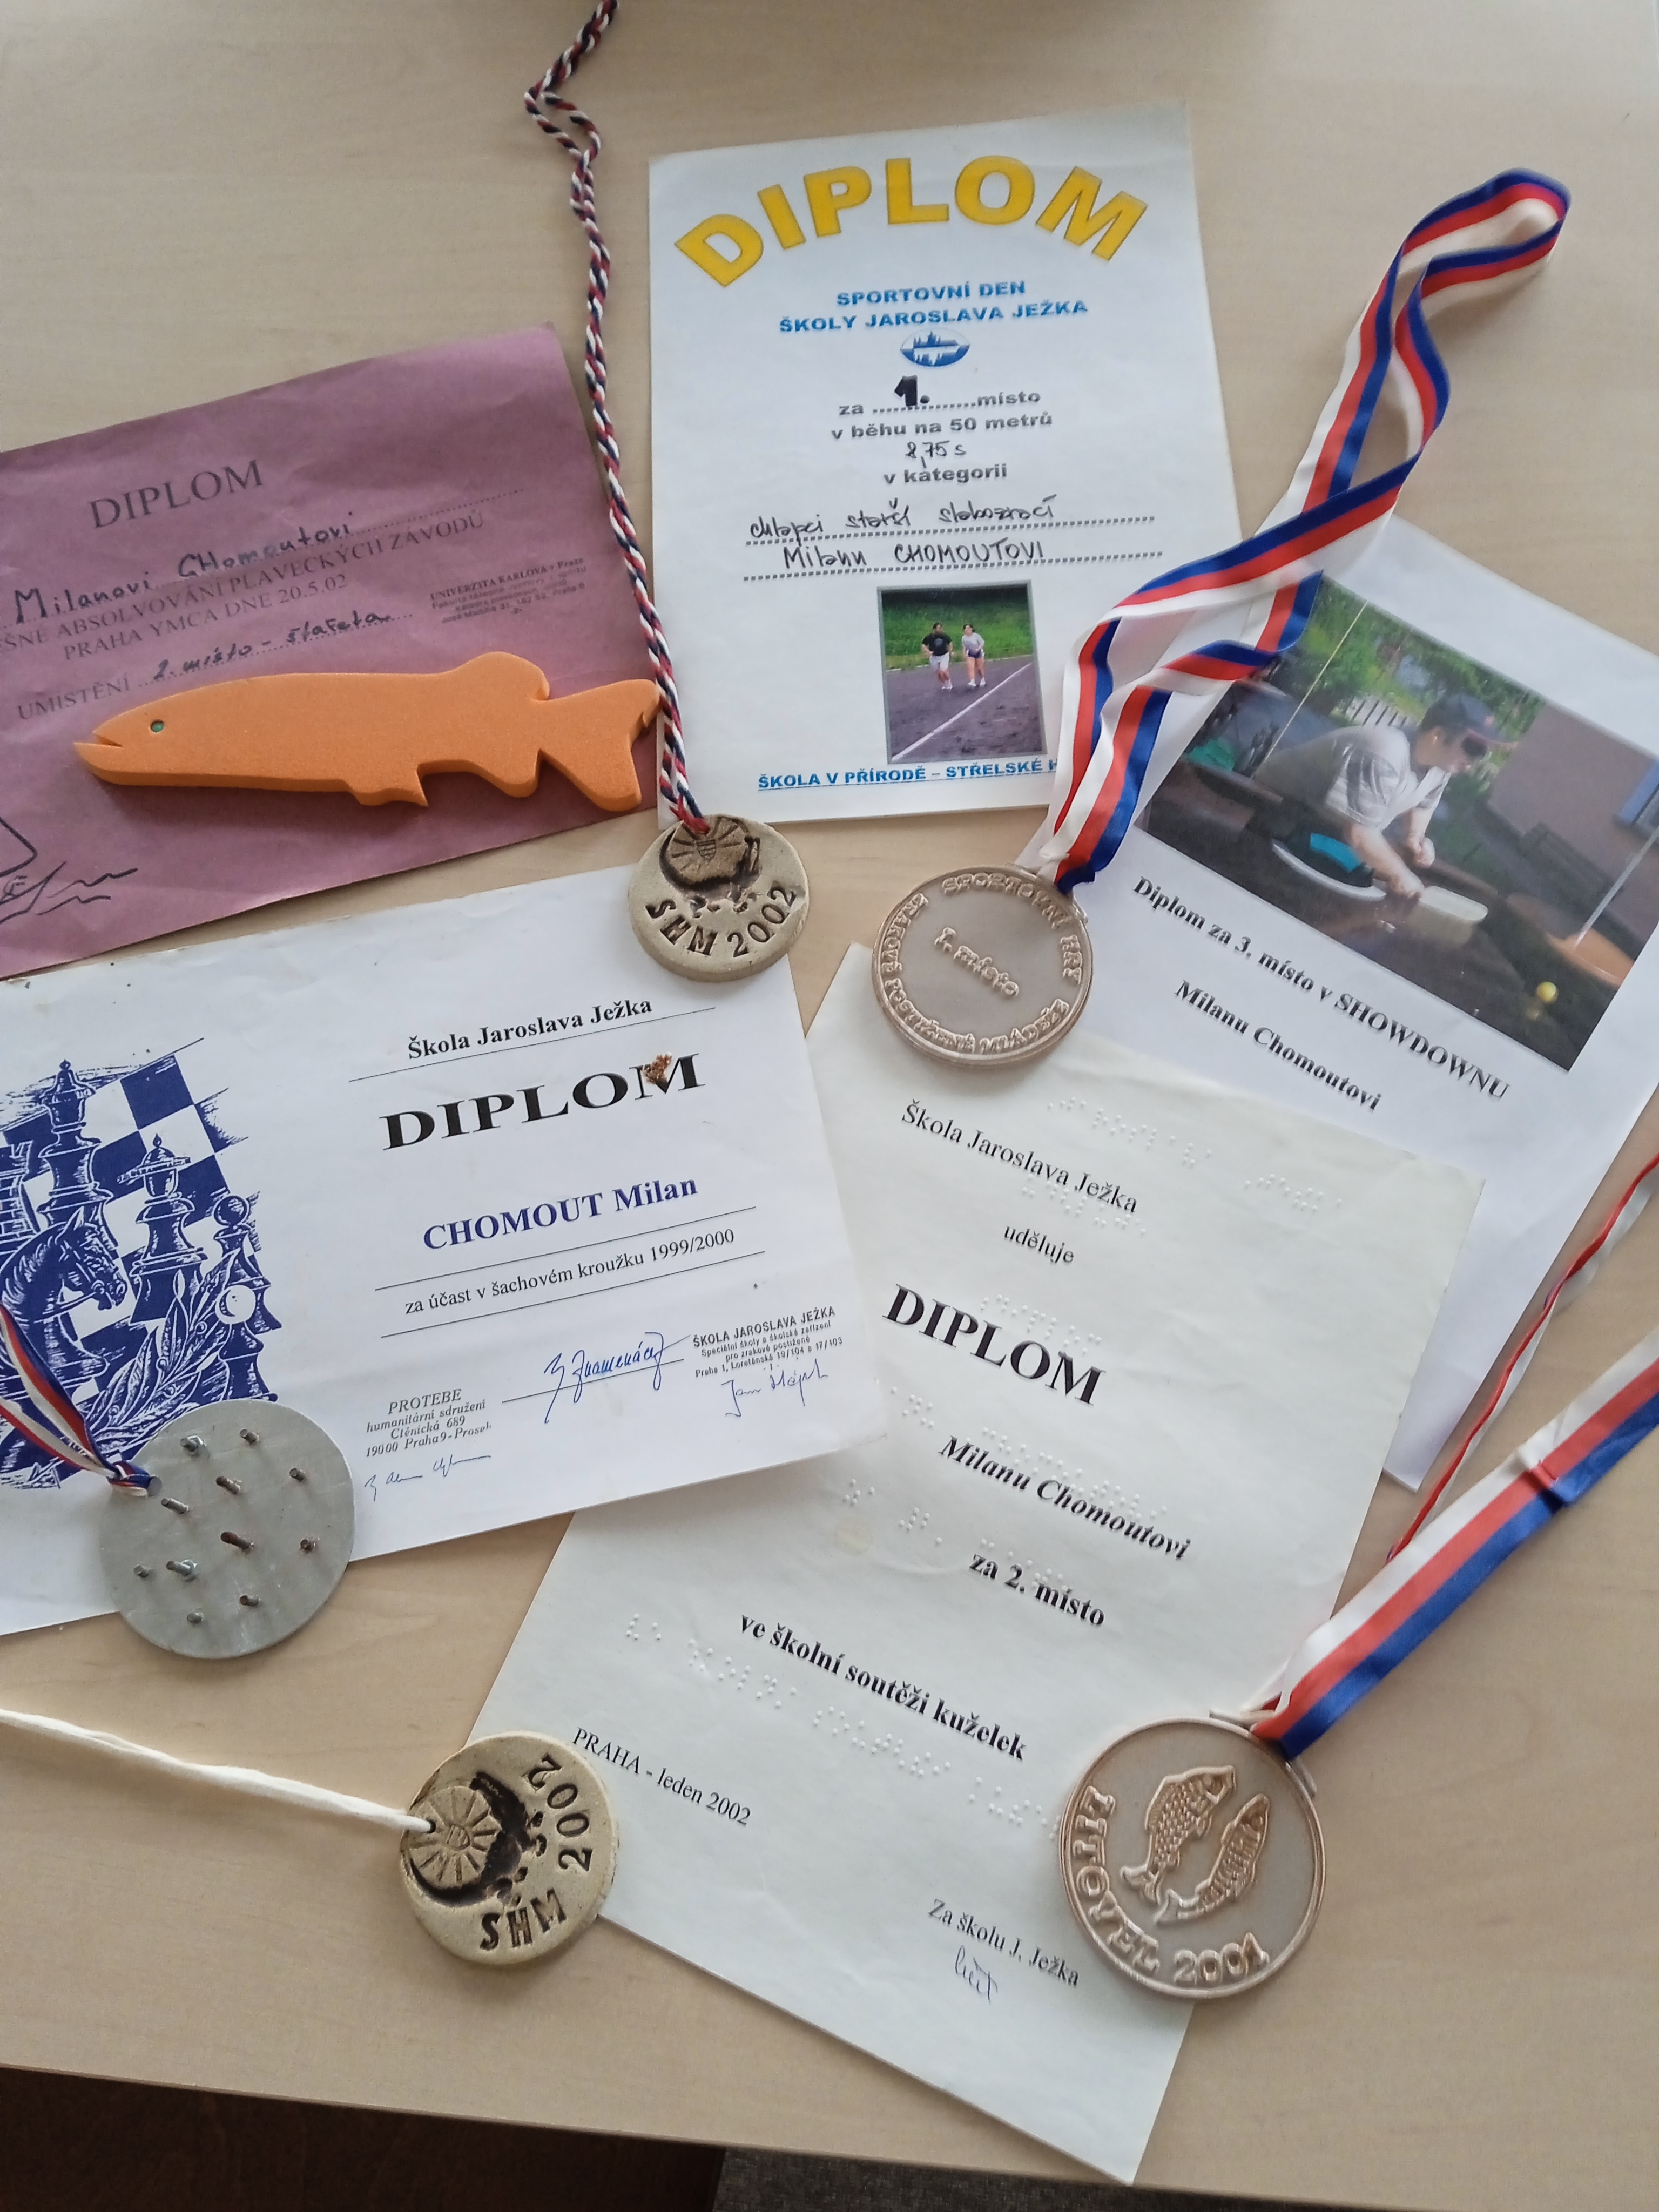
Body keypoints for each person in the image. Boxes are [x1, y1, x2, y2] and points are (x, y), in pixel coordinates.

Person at [1253, 690, 1501, 898]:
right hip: (1262, 812)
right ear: (1438, 735)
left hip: (1316, 831)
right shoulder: (1386, 751)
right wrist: (1401, 874)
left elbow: (1424, 804)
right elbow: (1360, 834)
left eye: (1482, 752)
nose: (1475, 760)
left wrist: (1415, 838)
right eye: (1472, 748)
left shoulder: (1441, 766)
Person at [921, 621, 953, 690]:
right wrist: (928, 652)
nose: (940, 630)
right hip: (934, 657)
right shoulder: (930, 637)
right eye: (938, 628)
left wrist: (950, 652)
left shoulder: (944, 636)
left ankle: (949, 682)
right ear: (935, 629)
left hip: (944, 655)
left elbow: (950, 643)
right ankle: (944, 683)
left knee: (943, 671)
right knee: (939, 673)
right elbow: (923, 645)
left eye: (941, 628)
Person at [961, 622, 986, 688]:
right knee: (970, 667)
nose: (967, 630)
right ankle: (972, 681)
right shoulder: (964, 638)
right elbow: (964, 647)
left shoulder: (976, 636)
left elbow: (982, 643)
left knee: (979, 668)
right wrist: (964, 653)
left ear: (972, 629)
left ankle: (982, 678)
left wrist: (978, 649)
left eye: (969, 628)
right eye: (966, 629)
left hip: (978, 652)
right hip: (970, 653)